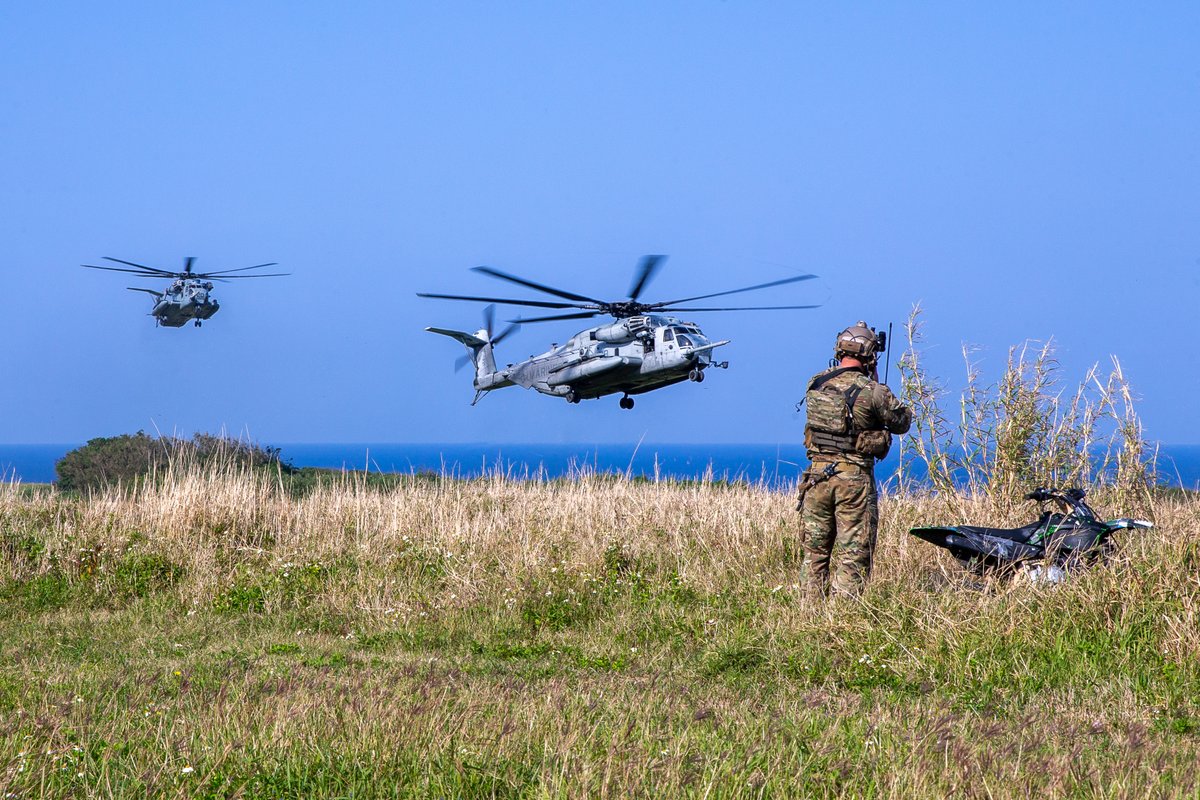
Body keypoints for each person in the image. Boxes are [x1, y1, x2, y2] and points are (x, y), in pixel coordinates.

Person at [798, 321, 912, 598]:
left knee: (814, 553)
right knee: (854, 553)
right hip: (853, 480)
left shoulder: (816, 382)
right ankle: (843, 616)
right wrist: (874, 382)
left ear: (839, 350)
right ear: (871, 354)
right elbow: (902, 422)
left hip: (816, 478)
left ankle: (809, 613)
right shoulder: (873, 391)